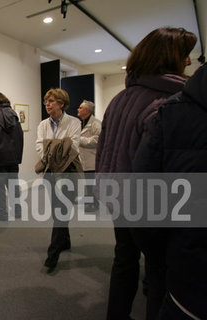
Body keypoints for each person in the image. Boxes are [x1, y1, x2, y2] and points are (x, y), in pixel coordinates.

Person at [95, 27, 197, 320]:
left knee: (124, 259)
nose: (188, 62)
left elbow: (103, 149)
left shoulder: (120, 98)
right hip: (147, 202)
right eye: (184, 55)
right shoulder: (166, 102)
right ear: (170, 58)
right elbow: (161, 165)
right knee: (157, 269)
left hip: (117, 194)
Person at [132, 63, 207, 320]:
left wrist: (165, 255)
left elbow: (141, 201)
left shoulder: (172, 110)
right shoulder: (169, 108)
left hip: (187, 271)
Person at [36, 88, 81, 273]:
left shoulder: (74, 122)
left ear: (61, 104)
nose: (47, 104)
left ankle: (52, 255)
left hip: (68, 173)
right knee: (58, 210)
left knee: (62, 211)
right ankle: (65, 241)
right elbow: (40, 148)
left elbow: (73, 148)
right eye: (46, 101)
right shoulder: (42, 125)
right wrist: (56, 149)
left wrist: (51, 149)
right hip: (50, 173)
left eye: (51, 101)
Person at [0, 92, 24, 221]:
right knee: (13, 185)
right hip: (13, 157)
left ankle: (1, 214)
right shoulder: (14, 114)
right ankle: (17, 211)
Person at [77, 100, 101, 211]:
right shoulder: (81, 123)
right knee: (87, 182)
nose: (78, 109)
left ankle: (94, 204)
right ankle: (89, 200)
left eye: (80, 107)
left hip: (92, 160)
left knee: (92, 183)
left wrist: (78, 139)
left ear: (86, 110)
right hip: (84, 159)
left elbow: (96, 141)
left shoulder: (96, 124)